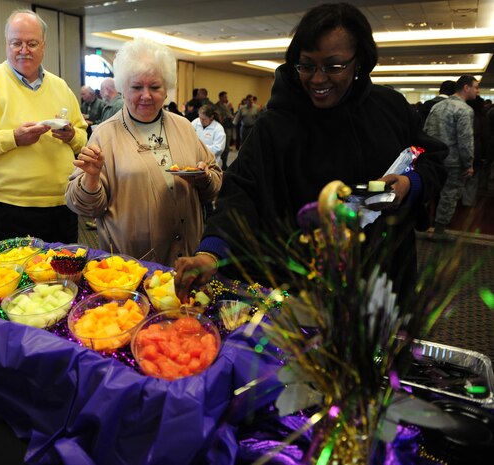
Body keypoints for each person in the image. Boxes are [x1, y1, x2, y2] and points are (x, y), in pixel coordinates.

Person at [174, 3, 446, 302]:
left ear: (360, 62)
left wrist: (411, 184)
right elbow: (241, 193)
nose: (318, 79)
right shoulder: (275, 124)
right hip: (298, 288)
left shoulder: (389, 108)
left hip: (381, 278)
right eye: (307, 65)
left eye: (333, 66)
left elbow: (432, 160)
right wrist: (210, 253)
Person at [65, 38, 222, 266]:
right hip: (134, 263)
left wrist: (204, 178)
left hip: (188, 255)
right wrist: (91, 178)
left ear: (166, 89)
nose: (146, 95)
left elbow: (215, 183)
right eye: (137, 87)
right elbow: (85, 208)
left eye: (155, 87)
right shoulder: (105, 135)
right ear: (123, 89)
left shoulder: (184, 127)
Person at [0, 9, 87, 244]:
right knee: (14, 278)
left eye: (32, 43)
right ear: (6, 44)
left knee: (64, 277)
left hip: (62, 204)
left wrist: (70, 136)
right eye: (17, 43)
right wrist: (14, 138)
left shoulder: (60, 87)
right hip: (8, 207)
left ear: (44, 46)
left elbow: (83, 138)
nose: (24, 50)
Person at [423, 74, 479, 237]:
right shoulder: (465, 110)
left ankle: (419, 225)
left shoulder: (437, 106)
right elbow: (465, 139)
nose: (477, 91)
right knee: (449, 195)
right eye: (475, 87)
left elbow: (426, 132)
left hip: (433, 159)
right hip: (453, 162)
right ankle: (439, 231)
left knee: (428, 192)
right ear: (466, 88)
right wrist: (468, 164)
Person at [214, 91, 235, 169]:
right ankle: (218, 163)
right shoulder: (216, 106)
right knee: (220, 146)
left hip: (228, 127)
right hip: (220, 128)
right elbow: (219, 117)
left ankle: (224, 163)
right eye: (225, 97)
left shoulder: (226, 106)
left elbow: (230, 116)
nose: (226, 98)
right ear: (220, 97)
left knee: (226, 147)